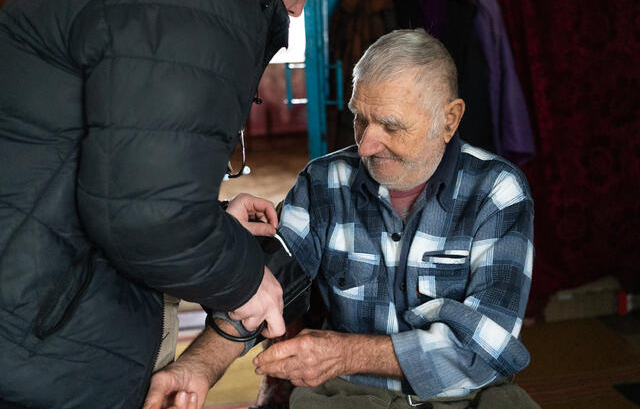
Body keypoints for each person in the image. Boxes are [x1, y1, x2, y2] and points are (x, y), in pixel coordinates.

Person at [0, 0, 368, 407]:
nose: (298, 8)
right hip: (36, 325)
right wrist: (245, 280)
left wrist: (206, 218)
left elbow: (114, 176)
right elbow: (147, 214)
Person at [159, 28, 538, 408]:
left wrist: (347, 353)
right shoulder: (325, 181)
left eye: (391, 126)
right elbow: (267, 286)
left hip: (467, 396)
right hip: (349, 395)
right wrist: (198, 367)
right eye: (360, 119)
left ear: (450, 120)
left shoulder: (496, 191)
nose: (366, 145)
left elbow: (486, 348)